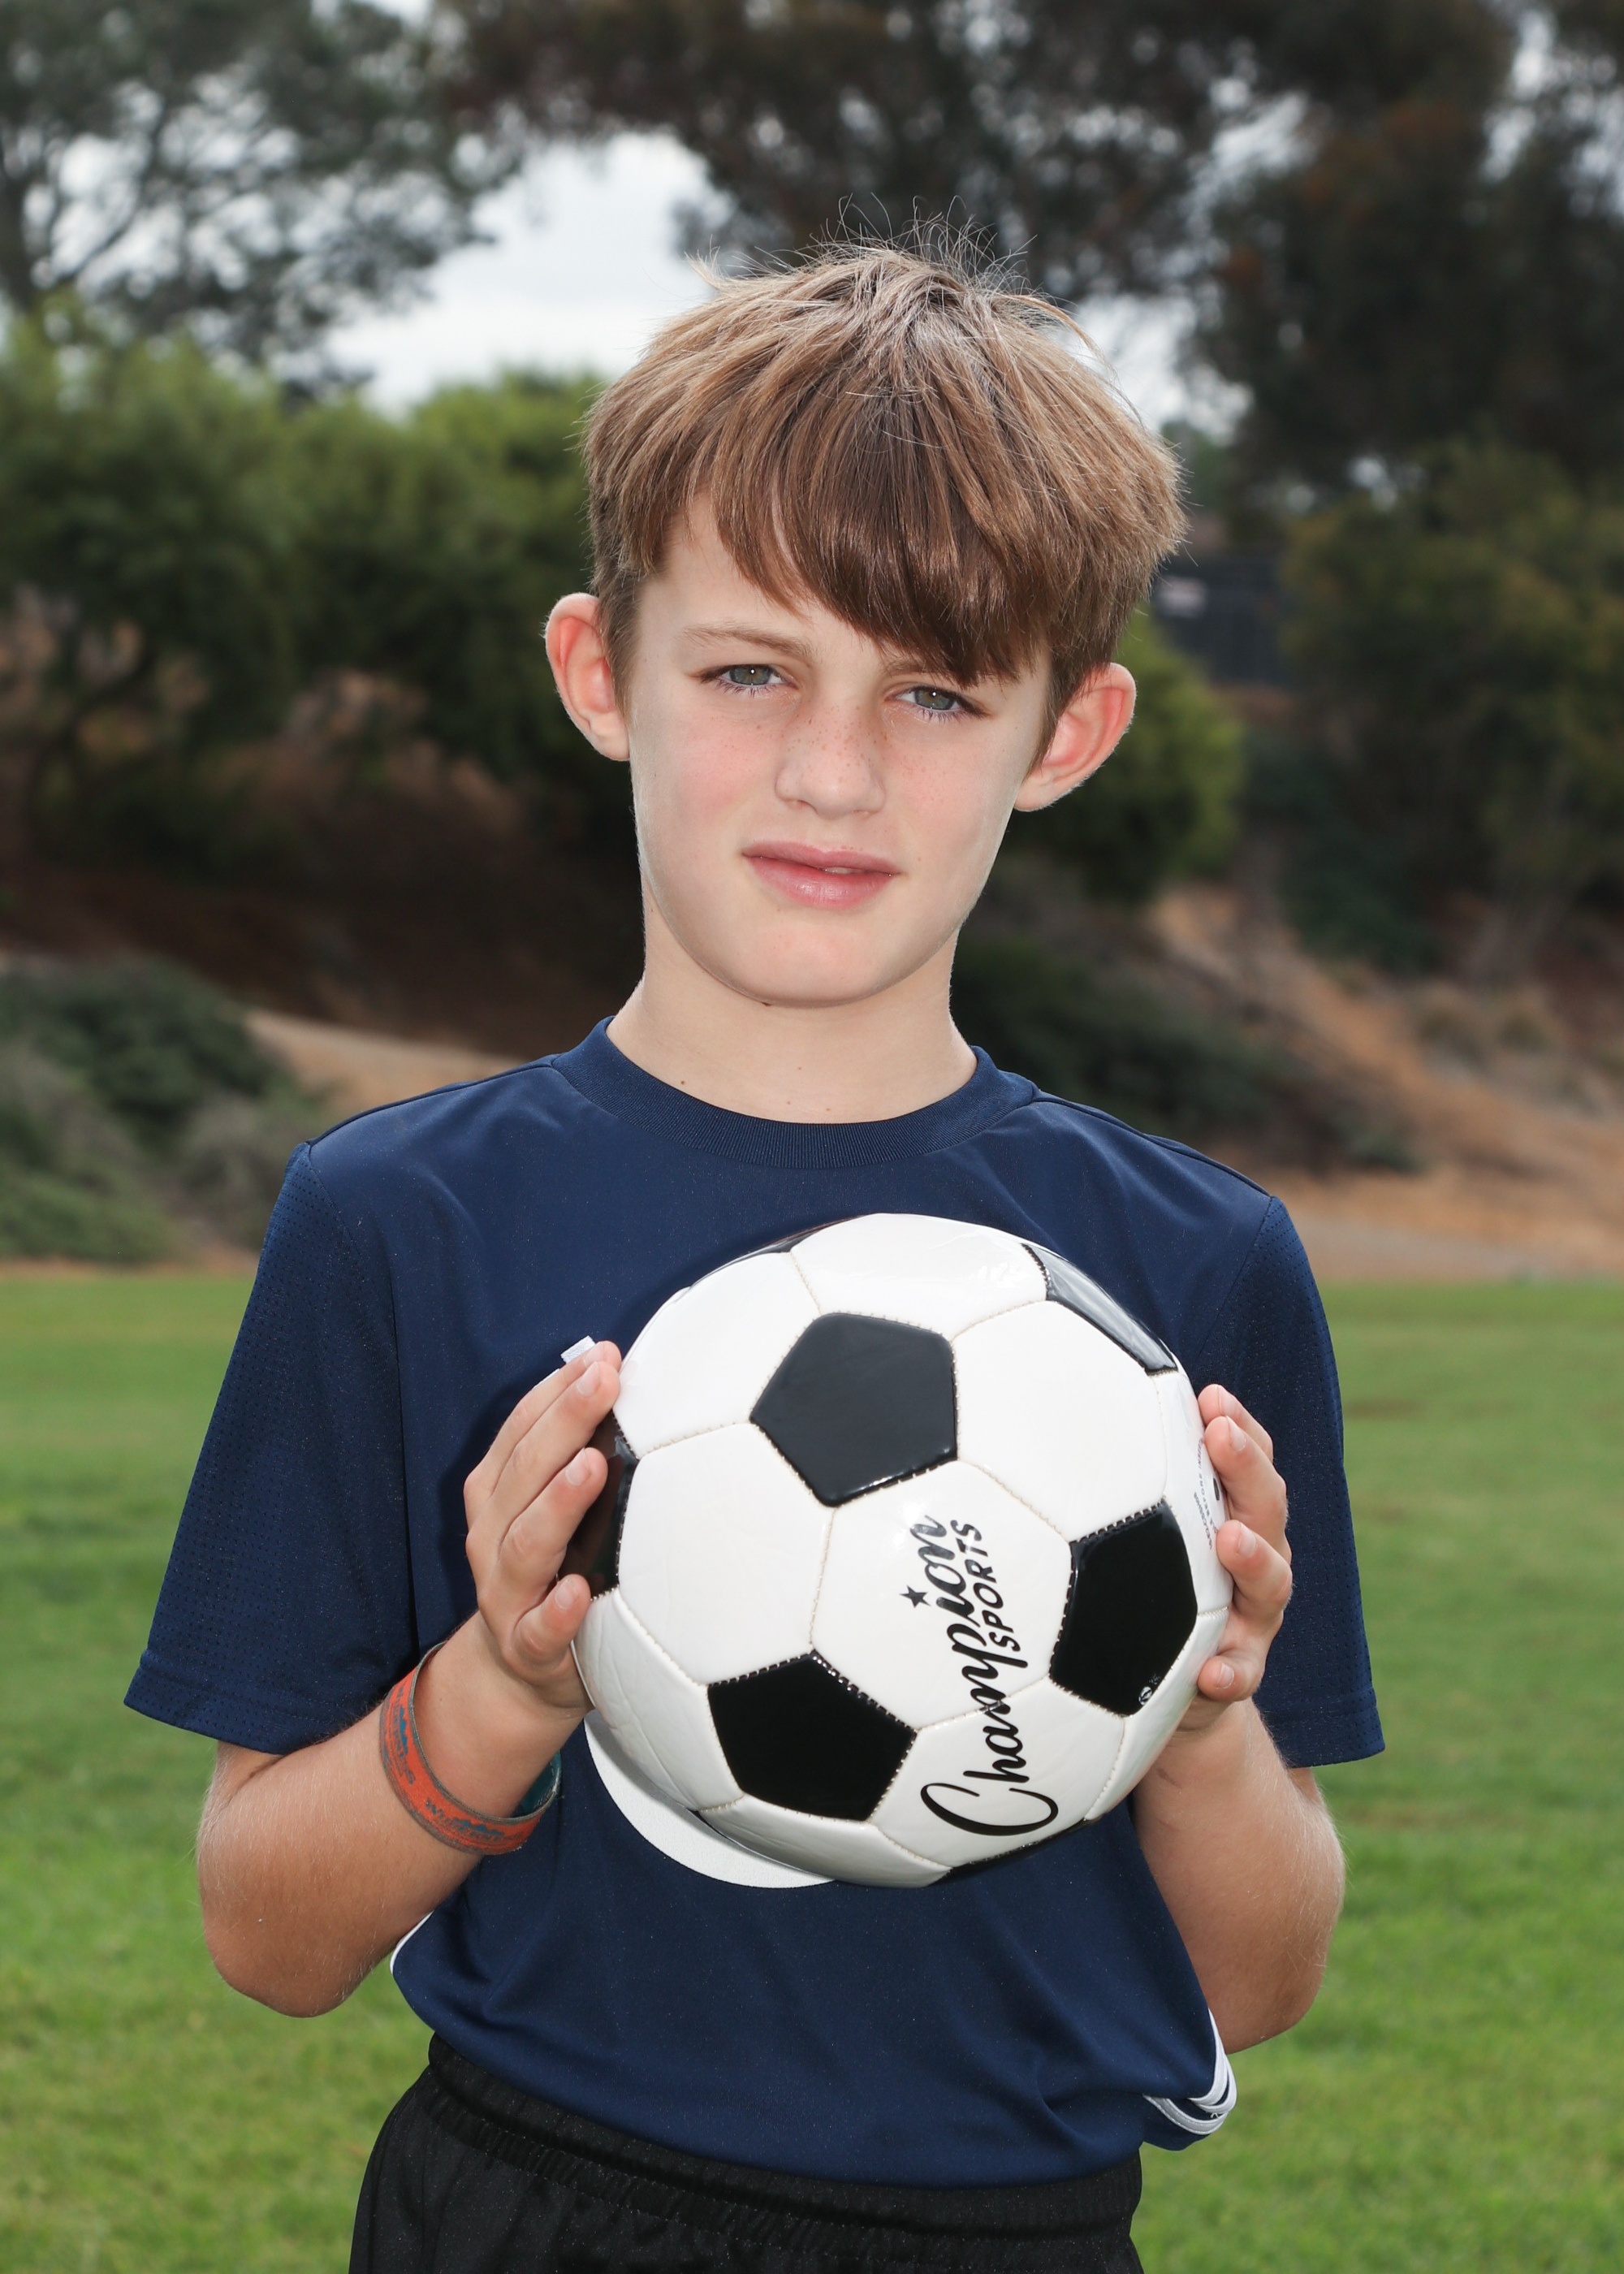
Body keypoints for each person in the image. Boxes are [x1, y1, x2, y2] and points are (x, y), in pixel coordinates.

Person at [127, 240, 1380, 2274]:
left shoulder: (1194, 1267)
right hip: (526, 2208)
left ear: (1068, 732)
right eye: (748, 670)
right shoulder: (398, 1218)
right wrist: (505, 1678)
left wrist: (1199, 1705)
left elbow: (1262, 1976)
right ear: (598, 670)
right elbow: (267, 1935)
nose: (831, 770)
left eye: (935, 691)